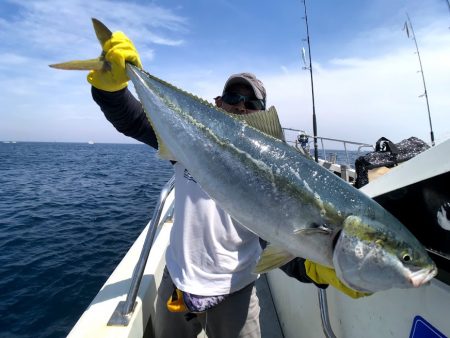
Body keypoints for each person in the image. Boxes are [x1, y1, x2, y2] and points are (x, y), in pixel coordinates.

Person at [87, 31, 366, 338]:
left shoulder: (276, 172)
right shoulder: (190, 144)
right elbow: (134, 120)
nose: (240, 106)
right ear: (218, 104)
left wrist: (317, 266)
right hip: (176, 281)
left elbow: (276, 234)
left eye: (252, 102)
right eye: (233, 98)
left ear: (263, 115)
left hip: (236, 290)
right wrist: (109, 91)